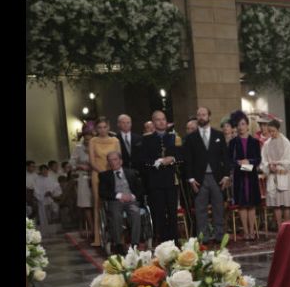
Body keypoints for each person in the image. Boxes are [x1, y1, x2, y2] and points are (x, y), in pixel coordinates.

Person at [183, 107, 231, 244]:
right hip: (199, 178)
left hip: (217, 177)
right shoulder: (191, 138)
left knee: (218, 208)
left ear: (209, 116)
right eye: (199, 115)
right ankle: (203, 237)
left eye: (204, 114)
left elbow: (225, 157)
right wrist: (191, 178)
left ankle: (219, 235)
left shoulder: (218, 135)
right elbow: (188, 160)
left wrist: (227, 175)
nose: (201, 117)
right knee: (200, 209)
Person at [136, 110, 182, 244]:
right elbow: (143, 160)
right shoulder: (147, 139)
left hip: (170, 180)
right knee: (159, 212)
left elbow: (181, 156)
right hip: (155, 181)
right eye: (158, 119)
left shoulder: (174, 138)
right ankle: (161, 240)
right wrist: (157, 162)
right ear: (153, 122)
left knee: (172, 212)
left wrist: (172, 158)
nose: (161, 122)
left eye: (163, 119)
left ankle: (174, 240)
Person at [98, 151, 144, 255]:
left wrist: (132, 196)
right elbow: (102, 192)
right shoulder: (104, 175)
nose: (113, 162)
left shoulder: (132, 173)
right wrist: (119, 196)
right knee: (115, 215)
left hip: (131, 201)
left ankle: (135, 244)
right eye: (110, 160)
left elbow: (140, 189)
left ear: (121, 161)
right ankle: (118, 244)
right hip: (115, 201)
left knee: (136, 213)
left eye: (115, 159)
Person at [228, 110, 262, 240]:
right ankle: (246, 231)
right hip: (239, 177)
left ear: (247, 125)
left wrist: (249, 162)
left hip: (251, 176)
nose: (240, 127)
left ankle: (252, 231)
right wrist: (239, 163)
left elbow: (258, 159)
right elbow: (229, 160)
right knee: (242, 204)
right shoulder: (233, 143)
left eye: (243, 124)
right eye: (238, 124)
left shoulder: (254, 142)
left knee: (251, 204)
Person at [88, 117, 121, 246]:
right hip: (98, 174)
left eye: (104, 127)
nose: (102, 130)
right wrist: (103, 174)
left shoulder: (115, 140)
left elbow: (119, 158)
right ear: (96, 129)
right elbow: (91, 161)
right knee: (98, 203)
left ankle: (118, 235)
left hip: (114, 174)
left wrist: (112, 173)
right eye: (99, 127)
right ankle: (98, 238)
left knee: (115, 202)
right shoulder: (93, 141)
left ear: (108, 127)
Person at [261, 118, 290, 229]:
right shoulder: (267, 144)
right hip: (272, 175)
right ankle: (280, 228)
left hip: (283, 175)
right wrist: (269, 166)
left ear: (278, 130)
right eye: (269, 131)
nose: (271, 133)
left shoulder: (286, 142)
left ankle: (288, 228)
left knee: (286, 204)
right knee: (276, 204)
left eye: (273, 131)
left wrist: (279, 165)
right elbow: (264, 160)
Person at [70, 126, 95, 240]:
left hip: (95, 176)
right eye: (85, 139)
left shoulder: (96, 145)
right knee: (86, 205)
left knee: (96, 203)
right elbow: (72, 164)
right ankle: (92, 228)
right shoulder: (78, 148)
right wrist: (79, 165)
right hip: (84, 178)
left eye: (89, 139)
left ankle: (100, 227)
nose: (87, 141)